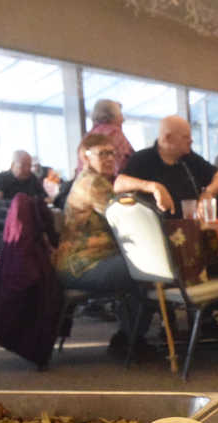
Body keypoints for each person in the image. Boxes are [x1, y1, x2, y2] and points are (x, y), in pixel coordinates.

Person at [54, 134, 153, 353]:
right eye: (102, 154)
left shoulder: (95, 180)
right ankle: (128, 341)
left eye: (112, 153)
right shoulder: (91, 183)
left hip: (93, 260)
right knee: (145, 270)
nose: (110, 158)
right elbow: (126, 220)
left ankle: (131, 335)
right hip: (82, 265)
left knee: (143, 267)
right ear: (86, 158)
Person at [115, 115, 218, 217]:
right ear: (167, 138)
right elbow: (118, 184)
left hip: (193, 227)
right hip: (160, 231)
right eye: (185, 137)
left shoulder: (189, 158)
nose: (191, 141)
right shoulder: (143, 158)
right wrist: (153, 187)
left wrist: (208, 192)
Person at [84, 99, 135, 173]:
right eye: (120, 115)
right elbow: (124, 165)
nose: (123, 119)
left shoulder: (88, 136)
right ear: (112, 117)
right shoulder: (114, 133)